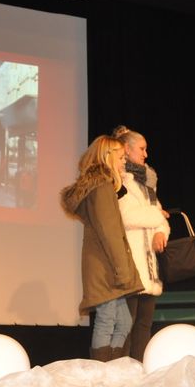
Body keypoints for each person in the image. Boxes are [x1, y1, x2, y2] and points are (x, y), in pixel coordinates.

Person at [60, 135, 144, 361]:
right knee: (107, 320)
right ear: (107, 156)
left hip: (106, 265)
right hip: (105, 268)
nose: (124, 161)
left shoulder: (103, 187)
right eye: (121, 156)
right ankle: (102, 368)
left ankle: (111, 365)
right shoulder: (102, 188)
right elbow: (110, 234)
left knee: (124, 321)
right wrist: (123, 271)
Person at [112, 126, 169, 361]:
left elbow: (161, 219)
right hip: (131, 264)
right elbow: (127, 217)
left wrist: (161, 233)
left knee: (144, 324)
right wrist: (158, 216)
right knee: (126, 325)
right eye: (142, 149)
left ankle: (139, 368)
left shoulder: (148, 183)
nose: (146, 154)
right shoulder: (119, 178)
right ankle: (122, 371)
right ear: (127, 149)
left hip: (150, 267)